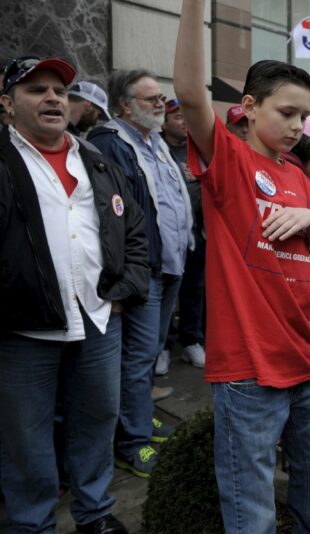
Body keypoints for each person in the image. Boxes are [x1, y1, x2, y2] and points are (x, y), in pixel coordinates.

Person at [174, 1, 310, 532]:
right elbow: (189, 93)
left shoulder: (300, 178)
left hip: (306, 359)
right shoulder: (227, 158)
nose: (297, 126)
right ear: (249, 106)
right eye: (286, 113)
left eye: (303, 116)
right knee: (252, 506)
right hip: (249, 368)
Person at [0, 55, 149, 534]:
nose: (52, 99)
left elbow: (135, 230)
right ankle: (32, 524)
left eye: (60, 91)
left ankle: (95, 513)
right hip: (23, 327)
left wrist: (125, 291)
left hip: (98, 317)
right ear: (7, 104)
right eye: (36, 90)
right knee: (25, 435)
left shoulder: (96, 160)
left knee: (98, 417)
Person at [88, 69, 195, 477]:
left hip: (169, 264)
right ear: (125, 106)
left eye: (160, 97)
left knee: (148, 355)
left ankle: (139, 415)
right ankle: (131, 443)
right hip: (142, 271)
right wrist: (127, 273)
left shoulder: (155, 142)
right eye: (150, 98)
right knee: (137, 357)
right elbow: (114, 216)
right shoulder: (109, 144)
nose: (160, 103)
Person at [161, 97, 206, 368]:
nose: (184, 122)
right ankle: (163, 346)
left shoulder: (198, 149)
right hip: (167, 237)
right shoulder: (157, 149)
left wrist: (199, 177)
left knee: (194, 290)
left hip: (197, 235)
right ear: (164, 122)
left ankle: (191, 341)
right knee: (166, 293)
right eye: (178, 117)